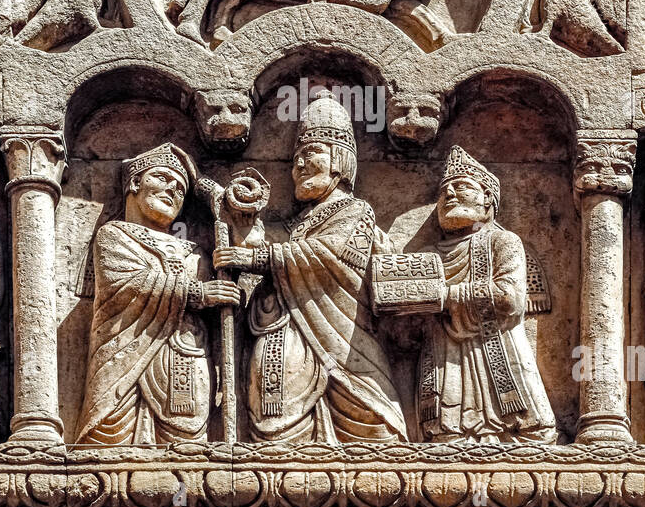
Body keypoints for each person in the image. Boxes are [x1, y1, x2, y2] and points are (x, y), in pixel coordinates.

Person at [216, 91, 407, 442]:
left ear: (340, 160)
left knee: (376, 432)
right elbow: (266, 241)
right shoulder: (297, 224)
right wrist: (241, 218)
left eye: (312, 153)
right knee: (276, 437)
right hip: (286, 337)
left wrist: (256, 258)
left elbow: (328, 255)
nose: (300, 165)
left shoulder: (356, 211)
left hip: (345, 340)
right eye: (295, 159)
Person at [76, 143, 239, 444]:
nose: (172, 189)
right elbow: (126, 285)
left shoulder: (197, 252)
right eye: (162, 177)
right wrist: (199, 293)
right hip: (124, 360)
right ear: (134, 182)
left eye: (180, 187)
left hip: (186, 359)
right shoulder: (114, 235)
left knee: (188, 448)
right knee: (110, 446)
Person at [419, 146, 557, 442]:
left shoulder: (502, 241)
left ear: (488, 201)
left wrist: (446, 296)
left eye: (462, 187)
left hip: (498, 349)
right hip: (444, 355)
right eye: (444, 192)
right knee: (444, 436)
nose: (450, 195)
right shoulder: (426, 256)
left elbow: (510, 297)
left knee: (533, 436)